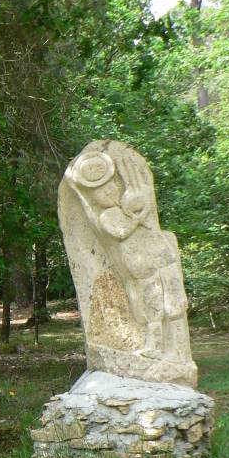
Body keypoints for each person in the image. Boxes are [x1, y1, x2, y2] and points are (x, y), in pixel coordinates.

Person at [65, 143, 187, 360]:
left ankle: (175, 350)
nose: (110, 193)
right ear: (96, 199)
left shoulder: (127, 206)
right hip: (139, 267)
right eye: (103, 193)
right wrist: (137, 219)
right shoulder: (108, 216)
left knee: (168, 305)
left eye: (112, 188)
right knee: (151, 308)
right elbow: (121, 232)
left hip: (154, 260)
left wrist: (141, 210)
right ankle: (155, 346)